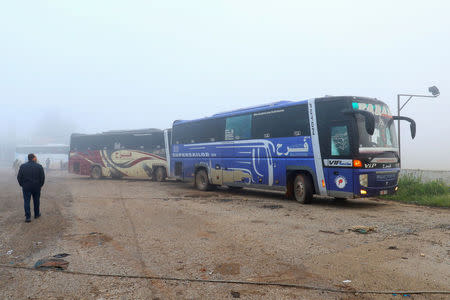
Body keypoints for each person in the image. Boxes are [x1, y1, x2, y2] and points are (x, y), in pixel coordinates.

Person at [17, 153, 45, 223]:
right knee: (36, 201)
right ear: (34, 158)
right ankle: (36, 214)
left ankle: (28, 217)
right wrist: (40, 185)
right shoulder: (39, 166)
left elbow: (19, 177)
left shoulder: (23, 166)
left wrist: (22, 184)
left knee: (26, 201)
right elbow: (42, 177)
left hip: (26, 187)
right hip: (36, 187)